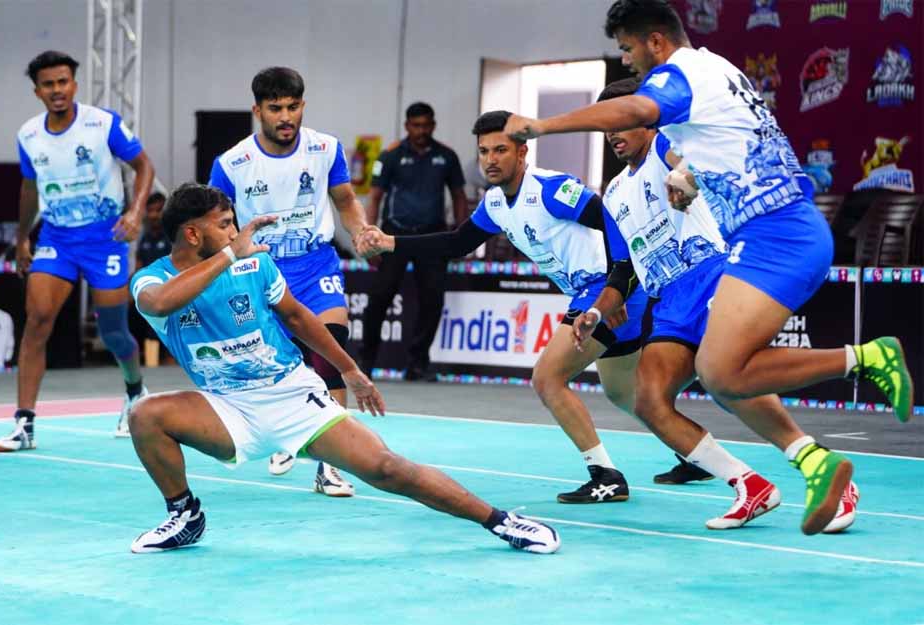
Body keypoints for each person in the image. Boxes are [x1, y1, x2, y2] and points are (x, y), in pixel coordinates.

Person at [503, 0, 906, 534]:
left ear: (655, 41)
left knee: (723, 373)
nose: (628, 60)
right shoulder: (695, 103)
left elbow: (642, 114)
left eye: (627, 49)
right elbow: (713, 149)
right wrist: (691, 179)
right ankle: (785, 471)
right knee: (677, 390)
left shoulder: (682, 82)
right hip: (709, 270)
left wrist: (541, 125)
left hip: (753, 246)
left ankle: (859, 369)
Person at [126, 182, 560, 555]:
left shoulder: (255, 263)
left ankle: (500, 521)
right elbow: (160, 304)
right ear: (192, 233)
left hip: (291, 395)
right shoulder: (152, 278)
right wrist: (227, 256)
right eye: (225, 225)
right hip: (227, 408)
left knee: (387, 468)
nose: (235, 233)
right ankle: (185, 515)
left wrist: (350, 370)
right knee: (145, 414)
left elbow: (297, 318)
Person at [357, 110, 705, 506]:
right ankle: (693, 452)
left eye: (501, 150)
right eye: (484, 151)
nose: (491, 159)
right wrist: (391, 243)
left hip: (603, 288)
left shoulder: (551, 189)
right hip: (596, 291)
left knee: (547, 378)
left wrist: (615, 288)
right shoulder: (494, 203)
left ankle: (606, 476)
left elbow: (612, 222)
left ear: (522, 152)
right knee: (624, 392)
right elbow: (457, 243)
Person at [575, 78, 858, 533]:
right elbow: (623, 266)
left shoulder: (666, 145)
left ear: (646, 121)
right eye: (607, 127)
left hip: (710, 273)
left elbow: (693, 162)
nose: (613, 134)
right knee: (649, 401)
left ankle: (826, 469)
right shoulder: (612, 193)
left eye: (621, 122)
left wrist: (686, 174)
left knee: (726, 379)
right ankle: (750, 485)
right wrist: (597, 308)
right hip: (668, 299)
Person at [209, 67, 374, 494]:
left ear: (303, 105)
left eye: (293, 107)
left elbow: (345, 201)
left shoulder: (326, 148)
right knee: (281, 364)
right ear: (257, 111)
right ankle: (288, 435)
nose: (286, 117)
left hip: (315, 263)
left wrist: (360, 231)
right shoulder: (231, 164)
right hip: (260, 272)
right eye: (275, 108)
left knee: (330, 350)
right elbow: (215, 224)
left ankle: (329, 467)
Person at [0, 50, 155, 452]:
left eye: (63, 81)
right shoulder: (29, 134)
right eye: (48, 84)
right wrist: (22, 238)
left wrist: (136, 212)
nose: (57, 90)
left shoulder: (102, 123)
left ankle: (135, 391)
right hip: (57, 239)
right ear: (37, 91)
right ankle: (24, 424)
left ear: (74, 84)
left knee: (113, 332)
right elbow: (29, 189)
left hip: (105, 237)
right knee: (37, 321)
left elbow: (144, 167)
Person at [361, 102, 468, 380]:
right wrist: (369, 237)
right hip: (393, 235)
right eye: (416, 125)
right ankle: (365, 362)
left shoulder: (447, 156)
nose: (421, 131)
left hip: (433, 236)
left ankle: (418, 364)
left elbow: (458, 196)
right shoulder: (390, 155)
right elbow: (374, 197)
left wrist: (462, 236)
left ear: (433, 125)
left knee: (432, 301)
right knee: (379, 298)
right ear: (407, 126)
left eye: (426, 125)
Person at [130, 192, 174, 366]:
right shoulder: (145, 239)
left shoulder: (172, 238)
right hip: (150, 291)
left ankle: (171, 362)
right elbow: (138, 267)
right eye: (150, 211)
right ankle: (150, 364)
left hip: (172, 290)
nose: (154, 215)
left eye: (158, 210)